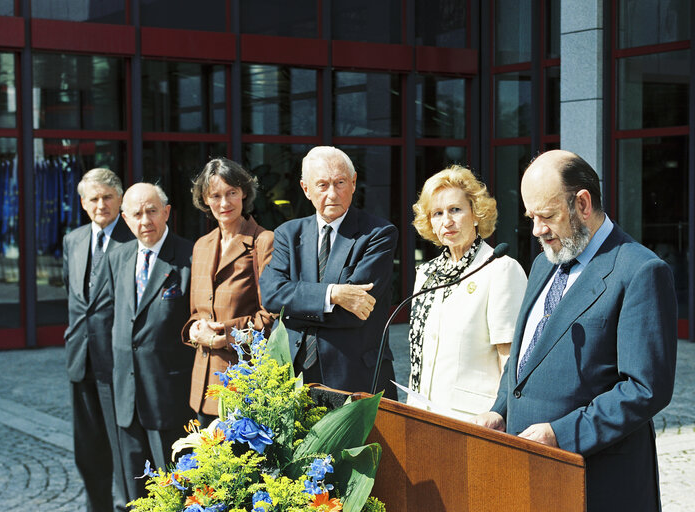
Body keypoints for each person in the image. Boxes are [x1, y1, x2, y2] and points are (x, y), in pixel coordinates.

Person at [473, 150, 677, 511]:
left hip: (595, 481)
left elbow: (645, 389)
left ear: (583, 203)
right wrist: (501, 409)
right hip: (530, 474)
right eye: (530, 217)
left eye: (547, 216)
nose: (536, 229)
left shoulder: (640, 270)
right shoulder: (542, 264)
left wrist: (561, 434)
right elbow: (528, 357)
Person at [259, 146, 398, 398]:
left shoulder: (378, 234)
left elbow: (357, 312)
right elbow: (270, 295)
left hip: (354, 377)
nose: (332, 194)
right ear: (306, 189)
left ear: (353, 183)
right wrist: (333, 294)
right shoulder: (287, 234)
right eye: (322, 185)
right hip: (292, 376)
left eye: (340, 182)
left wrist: (295, 307)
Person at [408, 166, 527, 421]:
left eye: (455, 210)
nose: (447, 221)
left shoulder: (500, 269)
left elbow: (510, 359)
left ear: (475, 213)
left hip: (475, 421)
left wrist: (502, 414)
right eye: (437, 213)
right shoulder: (426, 273)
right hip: (422, 415)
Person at [107, 183, 194, 501]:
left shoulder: (188, 256)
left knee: (176, 491)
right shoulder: (118, 258)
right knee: (134, 493)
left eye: (152, 211)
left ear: (167, 212)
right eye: (136, 214)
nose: (145, 220)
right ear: (125, 219)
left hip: (169, 396)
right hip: (127, 398)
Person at [182, 158, 275, 425]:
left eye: (231, 193)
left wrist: (226, 337)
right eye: (216, 195)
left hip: (242, 383)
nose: (224, 203)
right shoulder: (201, 245)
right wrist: (193, 329)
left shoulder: (263, 241)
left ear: (244, 192)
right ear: (205, 199)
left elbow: (270, 318)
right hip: (202, 386)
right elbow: (195, 312)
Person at [62, 168, 133, 512]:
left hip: (117, 363)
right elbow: (75, 299)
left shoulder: (134, 238)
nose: (101, 204)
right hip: (80, 360)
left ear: (120, 199)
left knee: (120, 447)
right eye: (94, 198)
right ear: (82, 203)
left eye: (108, 197)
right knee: (87, 449)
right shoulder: (72, 241)